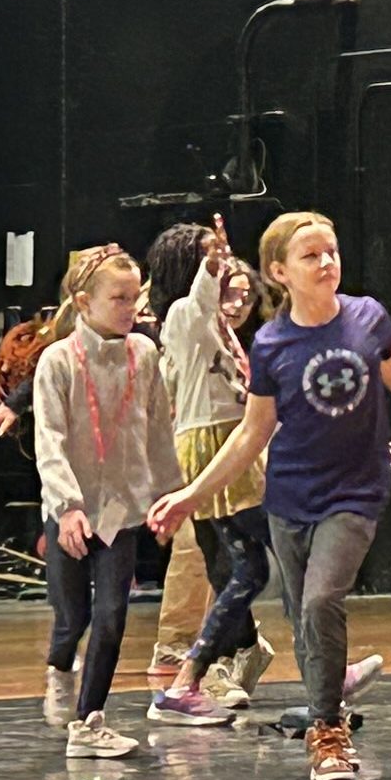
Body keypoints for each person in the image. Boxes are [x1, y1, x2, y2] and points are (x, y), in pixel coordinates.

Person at [149, 212, 391, 780]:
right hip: (290, 497)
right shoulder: (271, 344)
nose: (327, 263)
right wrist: (191, 494)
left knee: (321, 600)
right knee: (303, 618)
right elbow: (251, 433)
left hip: (356, 490)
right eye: (312, 256)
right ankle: (329, 704)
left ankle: (327, 732)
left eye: (332, 252)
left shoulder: (368, 318)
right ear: (280, 271)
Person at [27, 245, 189, 758]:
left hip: (122, 510)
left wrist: (169, 497)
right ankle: (59, 668)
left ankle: (89, 720)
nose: (130, 308)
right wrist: (67, 505)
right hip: (70, 510)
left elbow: (160, 430)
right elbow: (48, 440)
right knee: (72, 616)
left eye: (134, 297)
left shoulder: (145, 354)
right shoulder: (56, 362)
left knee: (113, 613)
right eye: (117, 298)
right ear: (82, 302)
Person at [147, 224, 278, 724]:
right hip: (209, 448)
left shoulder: (225, 333)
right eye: (226, 280)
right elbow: (200, 300)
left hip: (231, 442)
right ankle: (196, 666)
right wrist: (212, 264)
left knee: (236, 564)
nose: (237, 296)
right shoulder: (186, 315)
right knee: (241, 563)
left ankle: (224, 659)